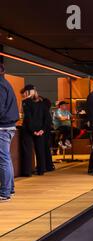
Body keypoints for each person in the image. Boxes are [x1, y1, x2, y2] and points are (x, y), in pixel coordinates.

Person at [0, 63, 19, 202]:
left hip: (3, 127)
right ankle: (9, 189)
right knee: (6, 159)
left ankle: (5, 192)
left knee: (3, 160)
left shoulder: (0, 85)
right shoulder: (6, 83)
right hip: (9, 126)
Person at [20, 85, 49, 176]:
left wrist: (33, 130)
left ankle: (27, 171)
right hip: (40, 129)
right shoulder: (42, 102)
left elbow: (28, 118)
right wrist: (42, 130)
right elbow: (47, 118)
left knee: (27, 150)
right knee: (40, 150)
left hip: (28, 129)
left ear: (27, 92)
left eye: (24, 93)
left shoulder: (25, 102)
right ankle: (41, 170)